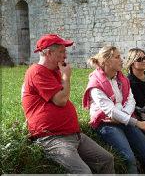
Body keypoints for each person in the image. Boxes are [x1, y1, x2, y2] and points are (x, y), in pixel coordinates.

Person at [21, 34, 114, 174]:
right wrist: (66, 76)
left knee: (106, 159)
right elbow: (61, 100)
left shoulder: (55, 71)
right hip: (52, 137)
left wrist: (63, 75)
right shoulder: (37, 72)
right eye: (62, 51)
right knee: (83, 173)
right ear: (48, 53)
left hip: (73, 134)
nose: (65, 55)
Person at [82, 46, 145, 174]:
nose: (122, 60)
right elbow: (110, 111)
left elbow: (131, 100)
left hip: (124, 120)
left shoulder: (121, 78)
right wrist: (135, 122)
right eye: (117, 57)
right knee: (129, 158)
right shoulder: (95, 84)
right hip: (106, 123)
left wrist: (124, 117)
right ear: (107, 61)